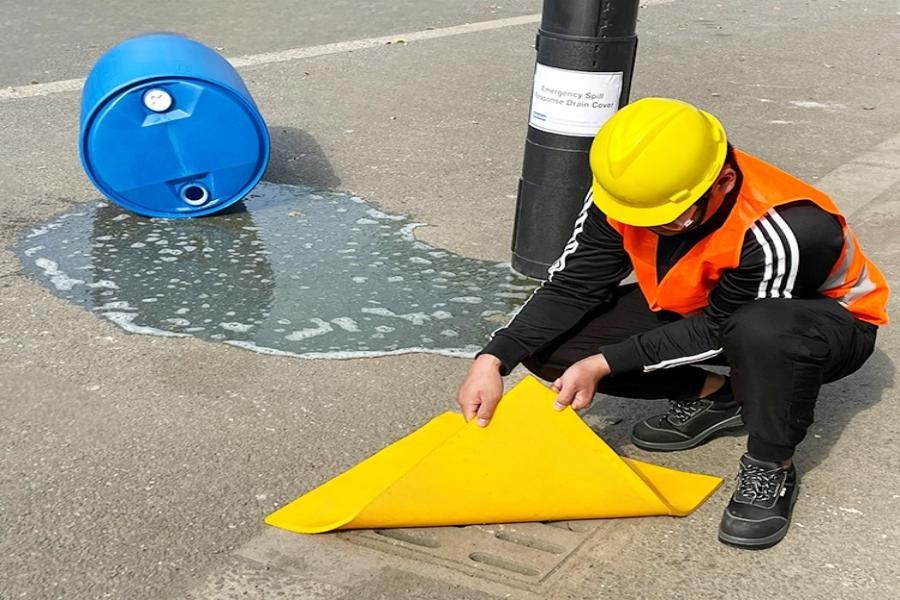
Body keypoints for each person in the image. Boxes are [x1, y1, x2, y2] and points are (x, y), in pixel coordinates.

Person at [455, 97, 889, 549]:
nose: (649, 228)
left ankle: (771, 465)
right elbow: (572, 286)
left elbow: (723, 325)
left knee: (762, 332)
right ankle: (716, 399)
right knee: (549, 347)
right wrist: (493, 358)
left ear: (721, 182)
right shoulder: (631, 194)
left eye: (667, 221)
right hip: (708, 304)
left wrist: (606, 363)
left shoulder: (788, 227)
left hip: (817, 325)